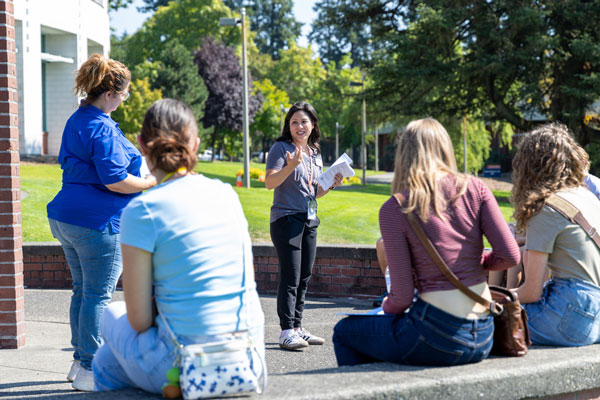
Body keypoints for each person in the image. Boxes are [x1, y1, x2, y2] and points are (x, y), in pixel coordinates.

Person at [92, 98, 266, 393]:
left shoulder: (142, 210)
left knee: (110, 317)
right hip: (248, 360)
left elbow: (139, 321)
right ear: (195, 144)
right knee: (107, 360)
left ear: (141, 145)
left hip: (186, 363)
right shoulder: (226, 195)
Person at [332, 117, 521, 366]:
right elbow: (510, 255)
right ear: (445, 148)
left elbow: (400, 298)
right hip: (485, 331)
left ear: (405, 154)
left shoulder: (396, 207)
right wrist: (474, 262)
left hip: (435, 333)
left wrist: (383, 309)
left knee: (345, 332)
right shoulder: (476, 188)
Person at [46, 54, 156, 391]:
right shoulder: (102, 127)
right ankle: (91, 369)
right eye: (123, 95)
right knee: (97, 296)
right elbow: (115, 181)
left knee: (83, 292)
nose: (124, 100)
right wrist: (150, 184)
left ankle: (79, 363)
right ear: (110, 94)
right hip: (98, 223)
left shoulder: (80, 118)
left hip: (66, 217)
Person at [511, 123, 600, 346]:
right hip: (596, 314)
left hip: (570, 315)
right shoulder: (586, 196)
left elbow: (531, 292)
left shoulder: (546, 208)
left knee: (488, 321)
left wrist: (491, 299)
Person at [265, 101, 343, 350]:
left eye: (304, 122)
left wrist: (330, 184)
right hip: (286, 218)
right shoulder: (281, 148)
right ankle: (286, 330)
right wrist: (290, 166)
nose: (299, 126)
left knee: (305, 276)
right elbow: (269, 182)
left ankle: (298, 327)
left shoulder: (315, 152)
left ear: (313, 125)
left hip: (309, 218)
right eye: (294, 122)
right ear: (289, 126)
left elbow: (313, 192)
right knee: (291, 276)